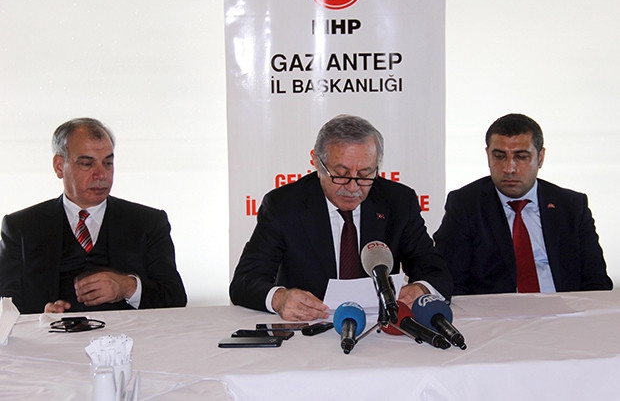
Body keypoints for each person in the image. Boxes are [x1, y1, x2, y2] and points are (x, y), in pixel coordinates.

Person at [229, 114, 453, 321]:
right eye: (341, 174)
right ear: (317, 163)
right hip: (311, 328)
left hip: (380, 331)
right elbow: (244, 282)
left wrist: (422, 289)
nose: (353, 187)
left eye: (365, 174)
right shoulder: (284, 205)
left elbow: (436, 272)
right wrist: (279, 299)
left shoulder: (399, 202)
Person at [0, 118, 187, 314]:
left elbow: (175, 298)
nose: (101, 175)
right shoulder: (21, 227)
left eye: (108, 163)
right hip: (49, 334)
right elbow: (5, 304)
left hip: (131, 333)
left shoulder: (148, 223)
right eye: (87, 164)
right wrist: (40, 315)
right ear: (59, 166)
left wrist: (128, 287)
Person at [434, 113, 612, 295]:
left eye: (521, 157)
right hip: (497, 310)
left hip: (564, 308)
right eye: (499, 156)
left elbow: (597, 282)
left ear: (540, 157)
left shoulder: (571, 206)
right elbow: (450, 282)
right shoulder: (465, 205)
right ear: (488, 155)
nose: (509, 168)